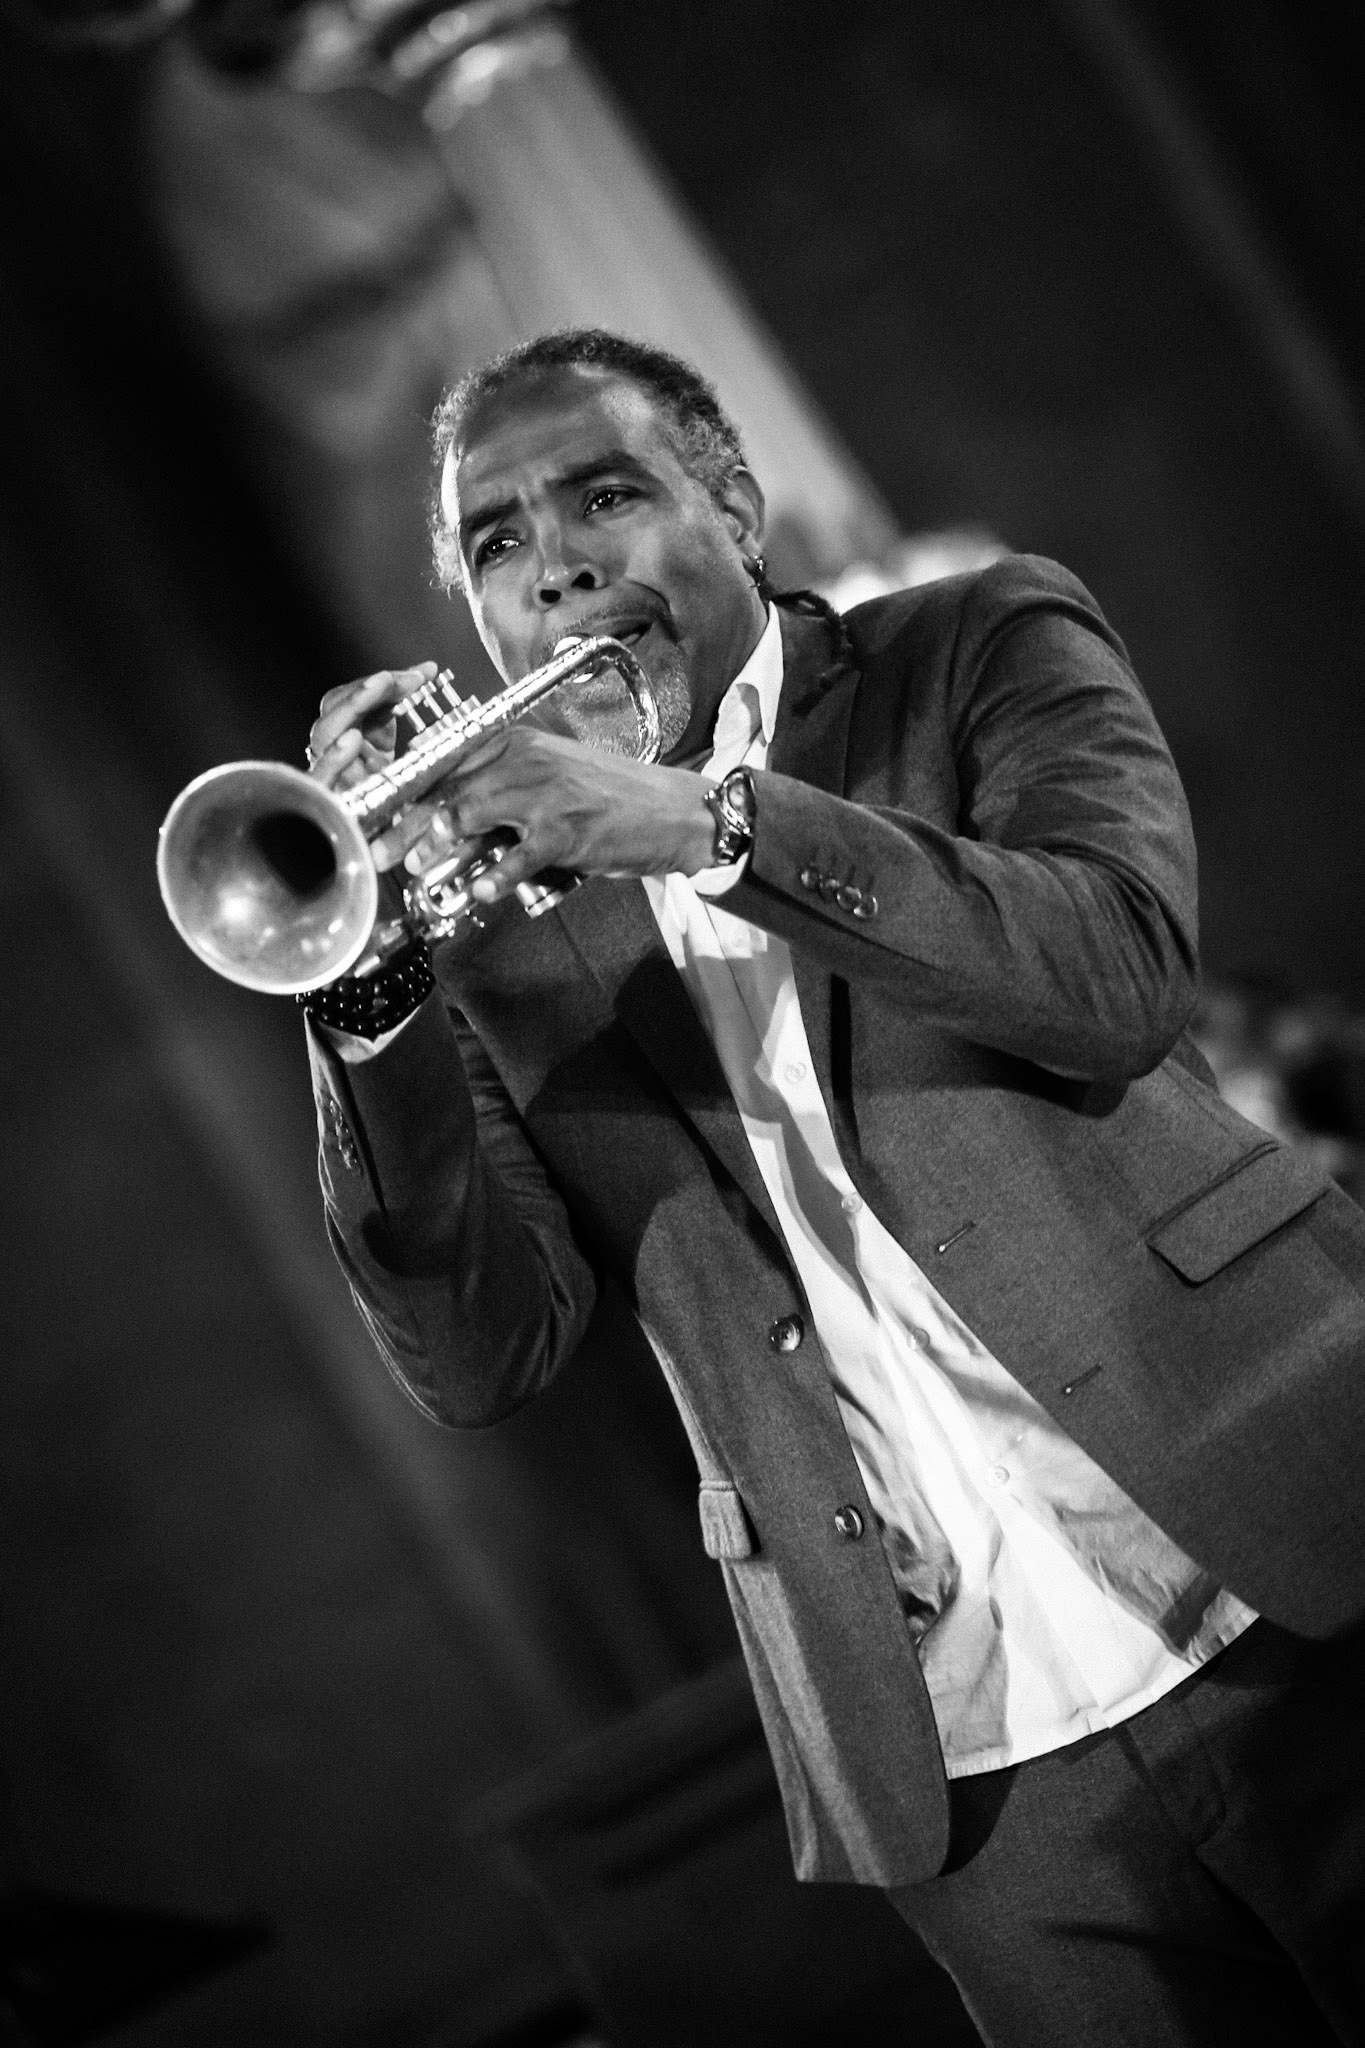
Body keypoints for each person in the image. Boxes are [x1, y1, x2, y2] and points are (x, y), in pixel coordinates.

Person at [302, 329, 1365, 2047]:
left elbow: (1109, 973)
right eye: (496, 543)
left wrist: (705, 827)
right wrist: (364, 1001)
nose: (553, 558)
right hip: (963, 1764)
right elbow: (478, 1356)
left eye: (605, 494)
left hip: (1290, 1557)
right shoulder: (493, 914)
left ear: (732, 504)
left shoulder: (974, 641)